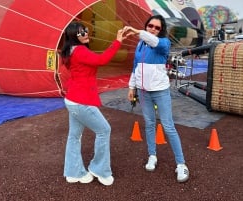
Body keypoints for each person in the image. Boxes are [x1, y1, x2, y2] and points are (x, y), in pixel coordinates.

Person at [123, 15, 189, 183]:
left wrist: (138, 31)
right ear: (146, 26)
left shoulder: (163, 43)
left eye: (157, 27)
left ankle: (181, 164)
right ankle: (152, 155)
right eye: (150, 25)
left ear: (161, 31)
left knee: (168, 126)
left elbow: (153, 41)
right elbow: (135, 67)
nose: (152, 29)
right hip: (144, 92)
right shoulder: (140, 44)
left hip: (160, 91)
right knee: (150, 124)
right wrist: (132, 87)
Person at [60, 21, 127, 186]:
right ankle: (100, 170)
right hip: (80, 100)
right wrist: (117, 41)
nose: (85, 34)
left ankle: (73, 172)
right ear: (73, 36)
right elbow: (102, 60)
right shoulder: (80, 51)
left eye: (86, 30)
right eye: (81, 32)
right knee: (104, 130)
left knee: (74, 136)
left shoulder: (70, 51)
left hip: (72, 99)